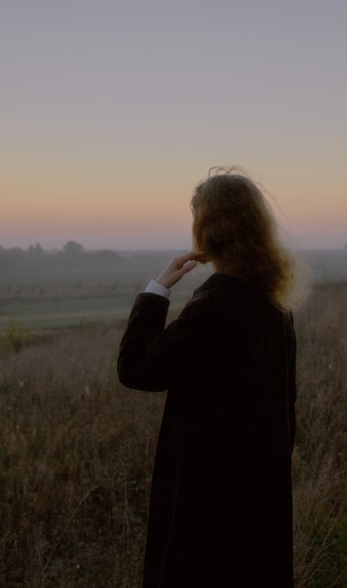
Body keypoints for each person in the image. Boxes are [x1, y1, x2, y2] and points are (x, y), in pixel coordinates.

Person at [118, 168, 305, 587]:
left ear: (205, 231)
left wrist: (156, 291)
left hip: (209, 500)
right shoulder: (275, 303)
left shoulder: (216, 306)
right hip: (260, 495)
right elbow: (286, 405)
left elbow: (135, 369)